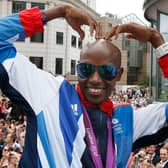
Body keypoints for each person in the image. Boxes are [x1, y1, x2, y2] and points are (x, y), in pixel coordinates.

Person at [1, 3, 168, 168]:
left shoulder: (126, 119)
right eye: (86, 69)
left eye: (107, 71)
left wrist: (156, 40)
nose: (95, 79)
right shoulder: (51, 95)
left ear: (119, 74)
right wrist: (60, 11)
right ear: (77, 69)